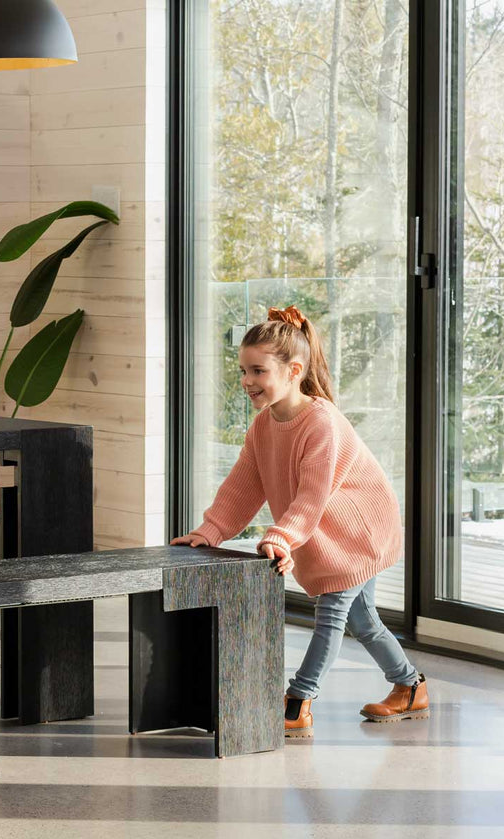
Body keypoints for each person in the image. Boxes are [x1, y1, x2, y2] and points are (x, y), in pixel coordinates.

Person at [171, 305, 427, 738]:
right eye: (243, 371)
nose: (248, 381)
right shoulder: (263, 426)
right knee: (363, 621)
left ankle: (298, 701)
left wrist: (281, 537)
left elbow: (312, 494)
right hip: (325, 532)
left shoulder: (321, 422)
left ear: (293, 370)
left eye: (257, 371)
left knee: (331, 616)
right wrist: (210, 530)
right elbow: (242, 487)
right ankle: (410, 686)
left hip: (356, 532)